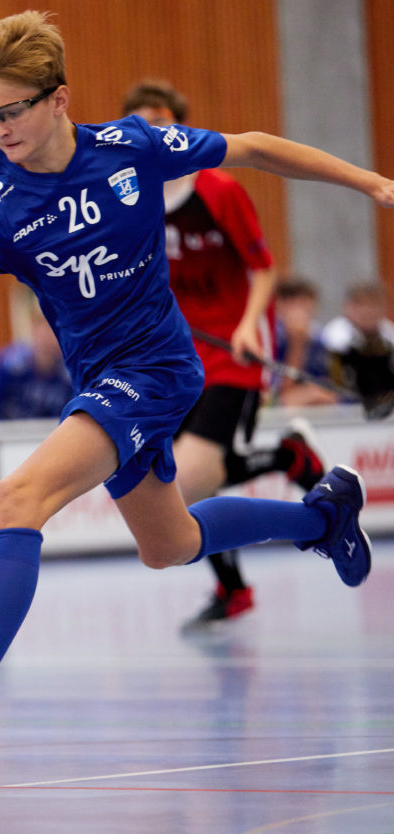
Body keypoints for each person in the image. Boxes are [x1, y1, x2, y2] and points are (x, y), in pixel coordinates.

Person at [0, 10, 385, 787]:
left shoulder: (131, 147)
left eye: (11, 110)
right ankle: (324, 516)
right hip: (98, 380)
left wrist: (374, 184)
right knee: (171, 544)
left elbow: (254, 147)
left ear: (58, 99)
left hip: (158, 369)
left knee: (18, 496)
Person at [123, 80, 327, 630]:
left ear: (181, 128)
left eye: (162, 121)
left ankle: (241, 575)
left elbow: (263, 268)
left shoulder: (218, 190)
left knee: (189, 482)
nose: (153, 133)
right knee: (182, 483)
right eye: (142, 124)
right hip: (176, 356)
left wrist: (247, 326)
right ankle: (285, 461)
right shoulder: (131, 198)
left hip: (235, 352)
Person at [0, 295, 71, 421]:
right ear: (33, 327)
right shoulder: (10, 364)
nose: (49, 333)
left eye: (56, 326)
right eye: (43, 324)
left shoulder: (70, 373)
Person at [321, 282, 394, 406]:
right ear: (347, 307)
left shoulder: (389, 333)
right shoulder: (335, 335)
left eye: (373, 305)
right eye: (360, 304)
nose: (368, 311)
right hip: (343, 404)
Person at [271, 276, 337, 406]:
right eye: (292, 302)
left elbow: (330, 388)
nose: (298, 309)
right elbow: (277, 394)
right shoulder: (271, 339)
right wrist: (297, 343)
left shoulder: (319, 340)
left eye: (304, 302)